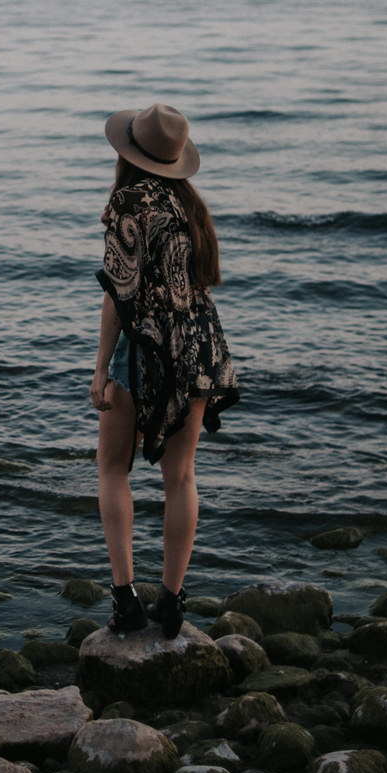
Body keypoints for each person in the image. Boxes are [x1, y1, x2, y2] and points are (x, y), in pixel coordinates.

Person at [88, 102, 242, 639]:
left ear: (129, 152)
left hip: (147, 345)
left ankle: (126, 601)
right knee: (180, 476)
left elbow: (118, 295)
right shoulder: (189, 203)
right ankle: (172, 605)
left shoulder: (129, 201)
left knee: (113, 470)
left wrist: (101, 369)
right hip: (199, 344)